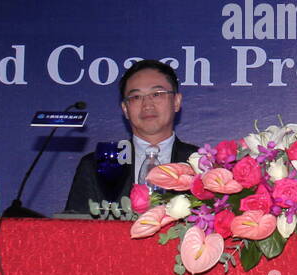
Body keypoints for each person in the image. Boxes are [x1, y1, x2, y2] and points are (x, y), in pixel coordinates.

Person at [65, 59, 199, 213]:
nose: (147, 105)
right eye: (136, 97)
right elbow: (74, 228)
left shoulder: (201, 164)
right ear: (125, 109)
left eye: (157, 94)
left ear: (176, 101)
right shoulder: (95, 165)